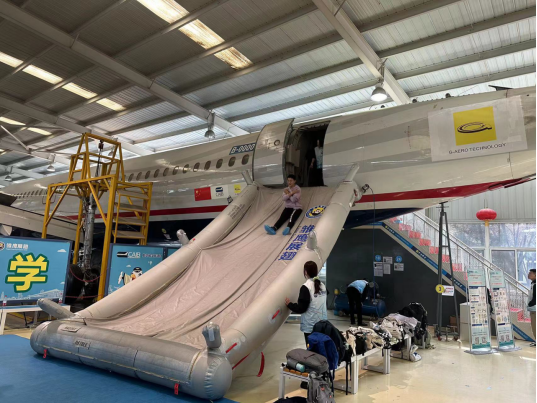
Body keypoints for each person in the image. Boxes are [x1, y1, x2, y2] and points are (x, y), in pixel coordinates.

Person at [285, 261, 328, 346]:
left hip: (311, 326)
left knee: (311, 350)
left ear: (305, 272)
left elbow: (301, 308)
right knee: (321, 349)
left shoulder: (306, 287)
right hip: (323, 324)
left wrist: (289, 304)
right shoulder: (322, 285)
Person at [528, 269, 536, 347]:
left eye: (530, 273)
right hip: (533, 308)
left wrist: (530, 304)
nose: (529, 274)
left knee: (534, 325)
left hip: (534, 309)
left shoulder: (535, 285)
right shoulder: (533, 284)